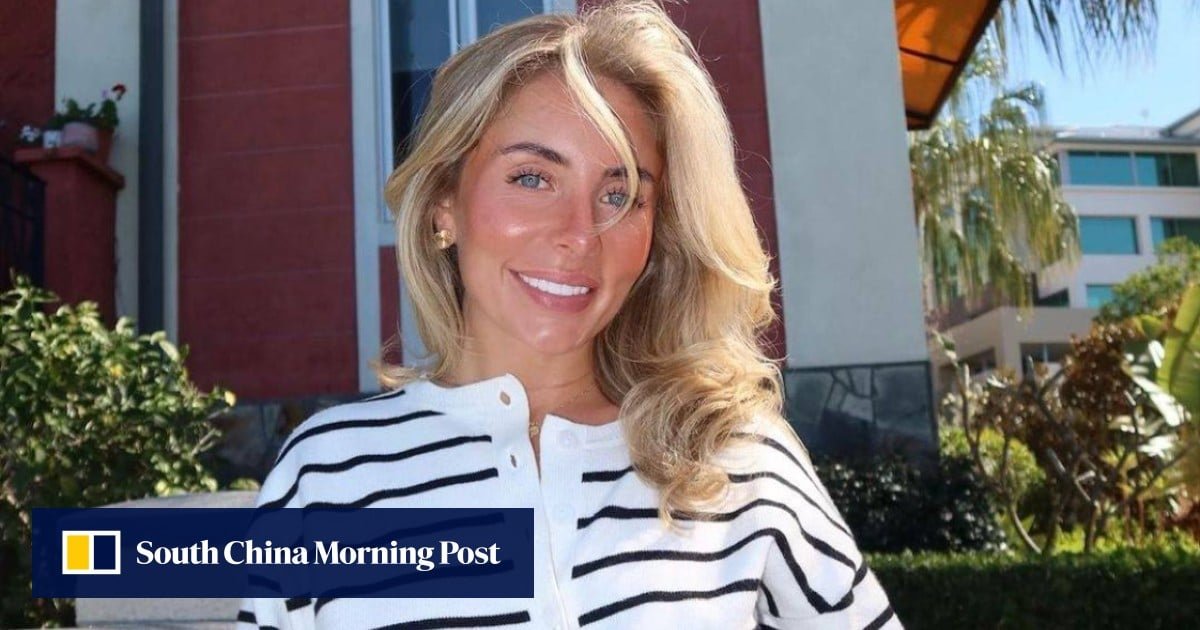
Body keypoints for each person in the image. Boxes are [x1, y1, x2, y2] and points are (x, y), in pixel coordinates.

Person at [237, 1, 902, 628]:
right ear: (445, 204)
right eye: (532, 177)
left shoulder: (736, 457)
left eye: (620, 194)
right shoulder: (326, 475)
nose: (579, 235)